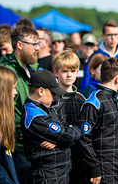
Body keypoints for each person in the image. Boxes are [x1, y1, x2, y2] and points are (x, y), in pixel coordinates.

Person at [77, 57, 118, 184]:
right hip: (104, 168)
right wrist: (94, 166)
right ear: (117, 79)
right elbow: (83, 137)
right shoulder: (94, 102)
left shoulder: (116, 99)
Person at [0, 26, 41, 184]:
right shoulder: (6, 72)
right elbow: (3, 112)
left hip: (32, 144)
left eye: (38, 44)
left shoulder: (32, 68)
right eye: (33, 44)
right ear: (20, 45)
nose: (37, 48)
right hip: (17, 147)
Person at [21, 70, 81, 184]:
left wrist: (58, 140)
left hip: (58, 174)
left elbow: (65, 130)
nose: (55, 97)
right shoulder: (35, 115)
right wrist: (68, 133)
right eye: (53, 93)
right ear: (41, 91)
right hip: (47, 176)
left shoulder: (48, 108)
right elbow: (68, 135)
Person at [51, 50, 86, 184]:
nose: (69, 75)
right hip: (57, 157)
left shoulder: (82, 100)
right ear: (56, 72)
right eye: (64, 71)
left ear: (77, 72)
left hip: (78, 157)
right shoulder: (51, 100)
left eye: (72, 71)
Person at [80, 20, 118, 91]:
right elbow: (86, 82)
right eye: (110, 35)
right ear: (103, 36)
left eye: (116, 34)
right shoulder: (95, 57)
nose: (113, 38)